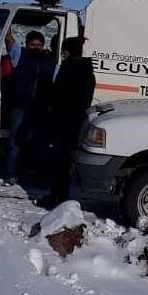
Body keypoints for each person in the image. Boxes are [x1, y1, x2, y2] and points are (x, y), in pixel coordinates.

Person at [37, 36, 95, 208]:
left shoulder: (69, 69)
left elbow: (58, 97)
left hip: (63, 122)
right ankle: (60, 196)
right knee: (66, 161)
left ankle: (58, 197)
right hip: (76, 122)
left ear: (68, 51)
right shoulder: (87, 71)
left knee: (60, 162)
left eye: (64, 49)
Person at [3, 30, 56, 185]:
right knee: (15, 143)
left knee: (40, 144)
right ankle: (11, 175)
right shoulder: (19, 55)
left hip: (40, 109)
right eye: (32, 44)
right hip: (20, 107)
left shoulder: (50, 60)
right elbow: (8, 40)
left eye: (39, 44)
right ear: (26, 45)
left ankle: (39, 177)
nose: (36, 47)